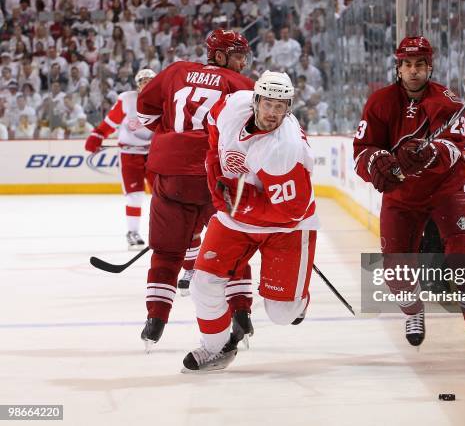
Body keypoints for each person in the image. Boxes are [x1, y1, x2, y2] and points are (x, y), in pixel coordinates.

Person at [352, 36, 465, 357]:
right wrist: (376, 162)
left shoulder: (446, 99)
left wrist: (431, 152)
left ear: (429, 67)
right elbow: (361, 151)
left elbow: (454, 145)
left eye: (420, 64)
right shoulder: (379, 102)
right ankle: (413, 311)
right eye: (407, 65)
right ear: (398, 67)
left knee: (463, 252)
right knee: (396, 269)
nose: (414, 71)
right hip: (402, 194)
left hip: (446, 187)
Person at [182, 71, 319, 373]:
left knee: (282, 314)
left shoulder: (285, 149)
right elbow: (214, 133)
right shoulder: (233, 105)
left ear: (289, 108)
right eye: (268, 103)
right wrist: (214, 169)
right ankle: (215, 348)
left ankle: (298, 298)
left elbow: (292, 211)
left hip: (287, 228)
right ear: (255, 99)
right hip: (236, 219)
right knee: (203, 283)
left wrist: (241, 204)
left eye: (280, 106)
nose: (273, 113)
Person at [136, 29, 255, 352]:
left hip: (171, 173)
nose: (243, 61)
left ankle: (156, 319)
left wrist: (174, 138)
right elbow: (254, 134)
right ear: (219, 56)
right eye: (237, 55)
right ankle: (241, 311)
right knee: (233, 244)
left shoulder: (176, 71)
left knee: (167, 250)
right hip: (215, 176)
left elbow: (145, 112)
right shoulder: (241, 85)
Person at [85, 68, 157, 249]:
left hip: (154, 155)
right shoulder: (127, 99)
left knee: (161, 195)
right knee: (135, 196)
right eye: (143, 81)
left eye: (150, 81)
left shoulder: (163, 101)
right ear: (137, 84)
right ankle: (132, 232)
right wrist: (98, 135)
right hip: (129, 155)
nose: (146, 85)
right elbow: (111, 122)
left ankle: (162, 231)